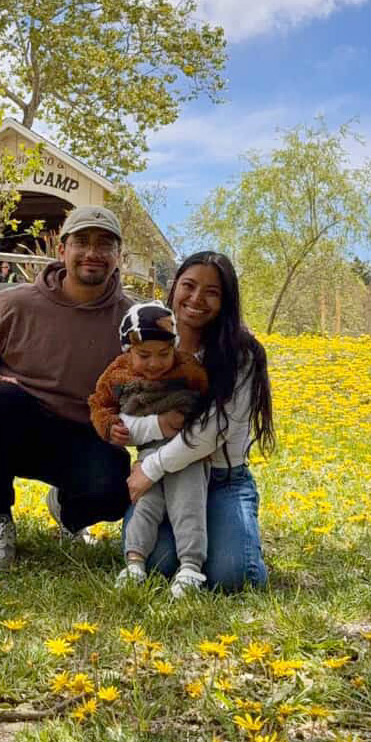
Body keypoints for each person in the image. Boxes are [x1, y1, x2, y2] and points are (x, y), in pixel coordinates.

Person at [0, 205, 134, 571]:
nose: (93, 253)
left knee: (118, 489)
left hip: (86, 436)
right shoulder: (17, 304)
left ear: (118, 257)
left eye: (105, 245)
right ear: (61, 250)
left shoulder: (131, 319)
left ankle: (68, 509)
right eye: (82, 242)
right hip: (20, 430)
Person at [113, 251, 275, 591]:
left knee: (234, 577)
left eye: (212, 292)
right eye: (189, 285)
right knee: (157, 564)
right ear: (175, 288)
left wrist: (151, 467)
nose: (197, 298)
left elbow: (212, 434)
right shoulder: (147, 342)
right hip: (161, 479)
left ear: (226, 301)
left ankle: (234, 535)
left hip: (221, 478)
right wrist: (141, 437)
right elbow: (127, 410)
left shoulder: (240, 354)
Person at [88, 301, 210, 595]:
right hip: (147, 454)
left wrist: (191, 415)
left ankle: (191, 568)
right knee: (145, 502)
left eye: (163, 354)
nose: (155, 363)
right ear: (127, 350)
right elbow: (99, 404)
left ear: (175, 348)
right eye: (144, 355)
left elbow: (209, 404)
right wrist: (108, 425)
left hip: (187, 450)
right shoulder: (116, 375)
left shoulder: (188, 368)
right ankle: (134, 564)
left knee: (188, 502)